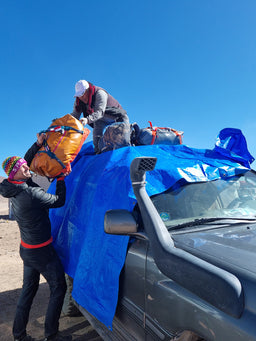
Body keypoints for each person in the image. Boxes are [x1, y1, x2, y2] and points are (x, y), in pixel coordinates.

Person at [0, 134, 69, 341]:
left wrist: (37, 145)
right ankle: (51, 334)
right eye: (21, 168)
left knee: (28, 291)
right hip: (42, 252)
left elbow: (24, 162)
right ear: (15, 174)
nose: (26, 168)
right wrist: (62, 178)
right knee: (59, 287)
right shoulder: (29, 194)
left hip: (27, 249)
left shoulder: (13, 186)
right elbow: (58, 201)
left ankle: (19, 335)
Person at [72, 79, 130, 153]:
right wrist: (63, 122)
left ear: (88, 90)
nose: (82, 97)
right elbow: (75, 115)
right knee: (97, 138)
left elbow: (100, 112)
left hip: (117, 117)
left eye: (83, 94)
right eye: (79, 95)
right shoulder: (79, 101)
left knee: (122, 142)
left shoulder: (100, 93)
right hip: (101, 120)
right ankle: (98, 153)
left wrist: (87, 120)